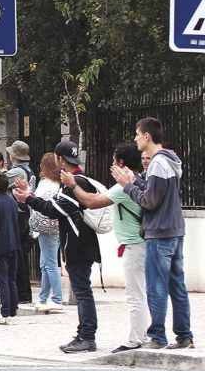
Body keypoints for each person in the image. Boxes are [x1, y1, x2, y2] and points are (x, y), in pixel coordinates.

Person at [13, 141, 100, 353]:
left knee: (82, 291)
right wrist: (31, 196)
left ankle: (87, 336)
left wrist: (28, 199)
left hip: (79, 245)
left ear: (60, 159)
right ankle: (83, 333)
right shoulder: (74, 181)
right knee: (81, 290)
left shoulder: (75, 183)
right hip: (80, 244)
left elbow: (54, 209)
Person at [116, 117, 192, 350]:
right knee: (177, 285)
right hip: (174, 229)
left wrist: (128, 186)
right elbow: (155, 192)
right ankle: (184, 335)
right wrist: (136, 182)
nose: (136, 139)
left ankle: (158, 336)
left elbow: (150, 201)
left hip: (159, 232)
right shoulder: (171, 160)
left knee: (156, 286)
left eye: (137, 134)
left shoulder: (158, 162)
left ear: (147, 136)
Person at [63, 143, 147, 353]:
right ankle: (148, 334)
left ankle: (135, 339)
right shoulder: (140, 180)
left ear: (120, 163)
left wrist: (73, 185)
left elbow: (91, 202)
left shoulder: (123, 186)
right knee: (144, 292)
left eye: (113, 161)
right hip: (140, 245)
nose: (111, 165)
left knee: (134, 294)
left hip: (134, 246)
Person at [31, 153, 64, 313]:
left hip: (45, 227)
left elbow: (37, 202)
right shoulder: (58, 183)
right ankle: (43, 298)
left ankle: (57, 298)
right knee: (46, 263)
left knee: (49, 263)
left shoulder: (46, 183)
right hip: (55, 226)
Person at [6, 140, 34, 304]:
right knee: (20, 254)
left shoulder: (17, 172)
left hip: (18, 216)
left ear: (13, 156)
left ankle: (22, 293)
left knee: (18, 255)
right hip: (24, 215)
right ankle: (23, 292)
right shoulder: (27, 170)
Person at [0, 174, 20, 321]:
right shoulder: (12, 201)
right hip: (14, 243)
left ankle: (5, 310)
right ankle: (14, 308)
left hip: (1, 244)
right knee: (11, 278)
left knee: (1, 278)